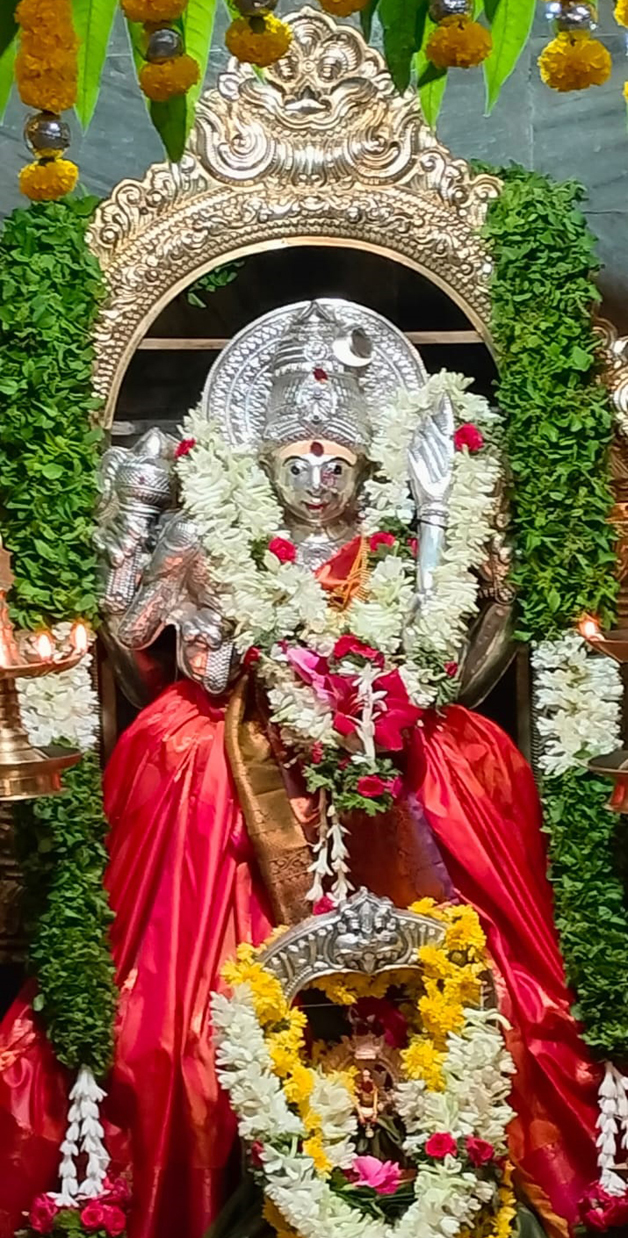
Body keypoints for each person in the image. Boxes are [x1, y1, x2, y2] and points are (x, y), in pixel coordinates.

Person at [0, 301, 600, 1238]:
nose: (317, 483)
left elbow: (453, 658)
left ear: (367, 467)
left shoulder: (405, 537)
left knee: (485, 779)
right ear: (261, 464)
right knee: (170, 1023)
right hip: (232, 760)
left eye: (336, 465)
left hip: (387, 749)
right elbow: (132, 635)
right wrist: (135, 536)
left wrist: (443, 529)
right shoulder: (211, 543)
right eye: (297, 464)